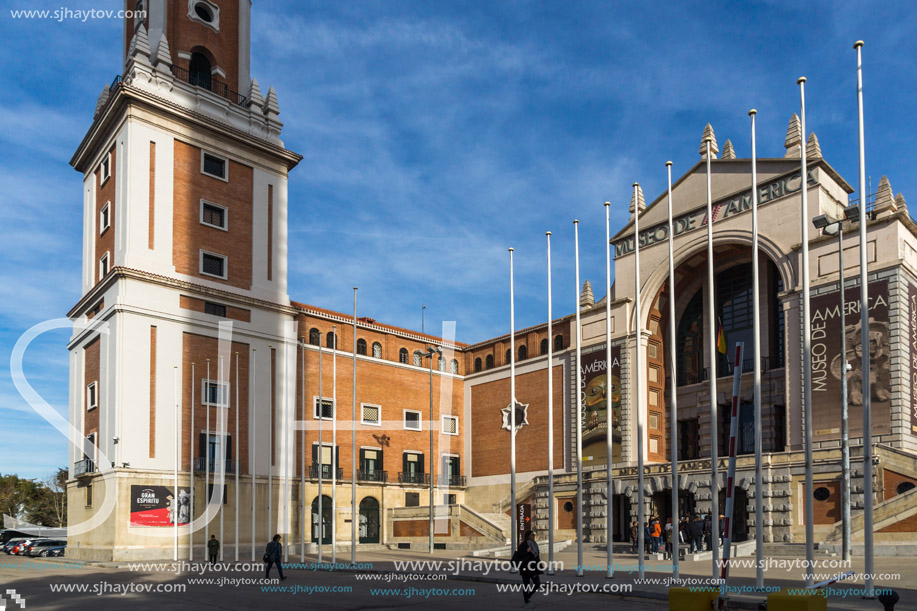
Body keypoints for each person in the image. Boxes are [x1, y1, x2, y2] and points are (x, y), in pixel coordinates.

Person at [516, 530, 543, 608]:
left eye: (534, 535)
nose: (533, 536)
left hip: (533, 568)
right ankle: (526, 602)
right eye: (532, 535)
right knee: (526, 585)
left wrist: (540, 566)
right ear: (528, 536)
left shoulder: (535, 544)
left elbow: (537, 556)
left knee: (537, 584)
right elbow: (519, 555)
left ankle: (528, 596)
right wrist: (527, 551)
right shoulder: (523, 545)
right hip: (525, 568)